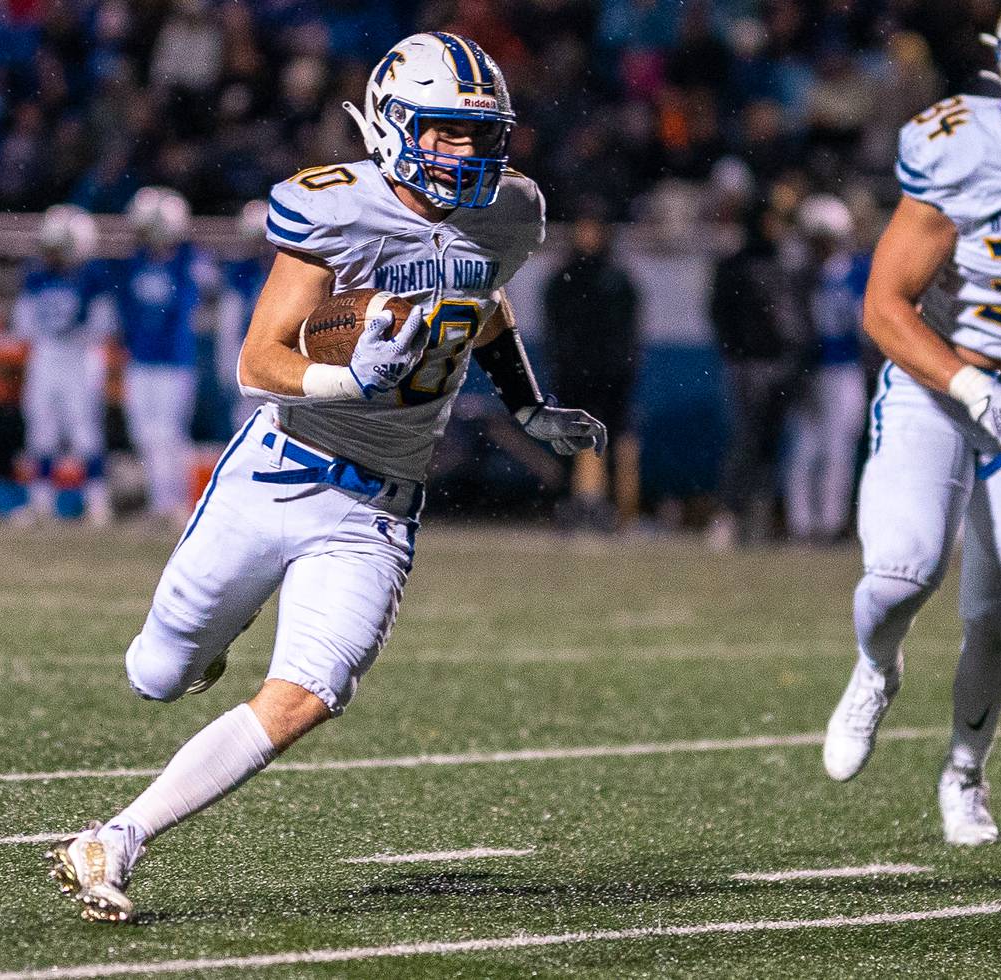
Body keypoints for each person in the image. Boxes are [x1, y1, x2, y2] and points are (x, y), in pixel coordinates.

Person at [44, 31, 606, 922]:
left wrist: (528, 404)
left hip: (376, 509)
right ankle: (210, 642)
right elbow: (258, 361)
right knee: (156, 674)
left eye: (480, 134)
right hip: (277, 474)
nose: (465, 155)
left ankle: (116, 838)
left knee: (310, 693)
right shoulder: (335, 207)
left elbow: (481, 300)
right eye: (444, 133)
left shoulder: (509, 213)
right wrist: (351, 377)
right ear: (390, 124)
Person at [823, 0, 1001, 847]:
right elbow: (884, 305)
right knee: (902, 573)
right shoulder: (962, 144)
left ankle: (964, 774)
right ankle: (875, 667)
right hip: (942, 384)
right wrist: (976, 389)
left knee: (999, 612)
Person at [707, 203, 812, 549]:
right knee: (746, 442)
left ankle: (758, 517)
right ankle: (730, 513)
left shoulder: (786, 264)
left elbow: (797, 318)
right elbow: (720, 314)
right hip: (750, 364)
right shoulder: (737, 266)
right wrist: (737, 352)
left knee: (769, 444)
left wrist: (796, 357)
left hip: (781, 364)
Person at [13, 203, 118, 525]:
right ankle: (41, 501)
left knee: (84, 430)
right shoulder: (36, 277)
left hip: (80, 357)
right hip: (47, 356)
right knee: (41, 429)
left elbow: (104, 327)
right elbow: (23, 325)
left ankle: (97, 501)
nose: (53, 255)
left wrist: (72, 333)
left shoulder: (93, 278)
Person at [117, 186, 214, 525]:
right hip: (141, 359)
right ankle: (162, 501)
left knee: (170, 434)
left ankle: (177, 503)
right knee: (144, 434)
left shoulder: (189, 261)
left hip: (174, 362)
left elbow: (207, 290)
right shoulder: (136, 263)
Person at [542, 210, 640, 532]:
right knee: (568, 443)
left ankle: (612, 510)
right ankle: (568, 507)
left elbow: (629, 331)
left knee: (608, 442)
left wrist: (622, 366)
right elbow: (553, 329)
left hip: (609, 376)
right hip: (573, 375)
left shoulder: (617, 279)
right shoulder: (564, 278)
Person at [783, 194, 867, 543]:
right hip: (810, 370)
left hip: (846, 368)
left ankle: (830, 522)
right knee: (805, 447)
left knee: (838, 449)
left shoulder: (857, 272)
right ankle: (802, 523)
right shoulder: (802, 276)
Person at [216, 199, 272, 431]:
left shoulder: (289, 267)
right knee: (246, 419)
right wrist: (227, 359)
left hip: (281, 347)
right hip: (249, 349)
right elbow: (230, 324)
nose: (261, 246)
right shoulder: (241, 273)